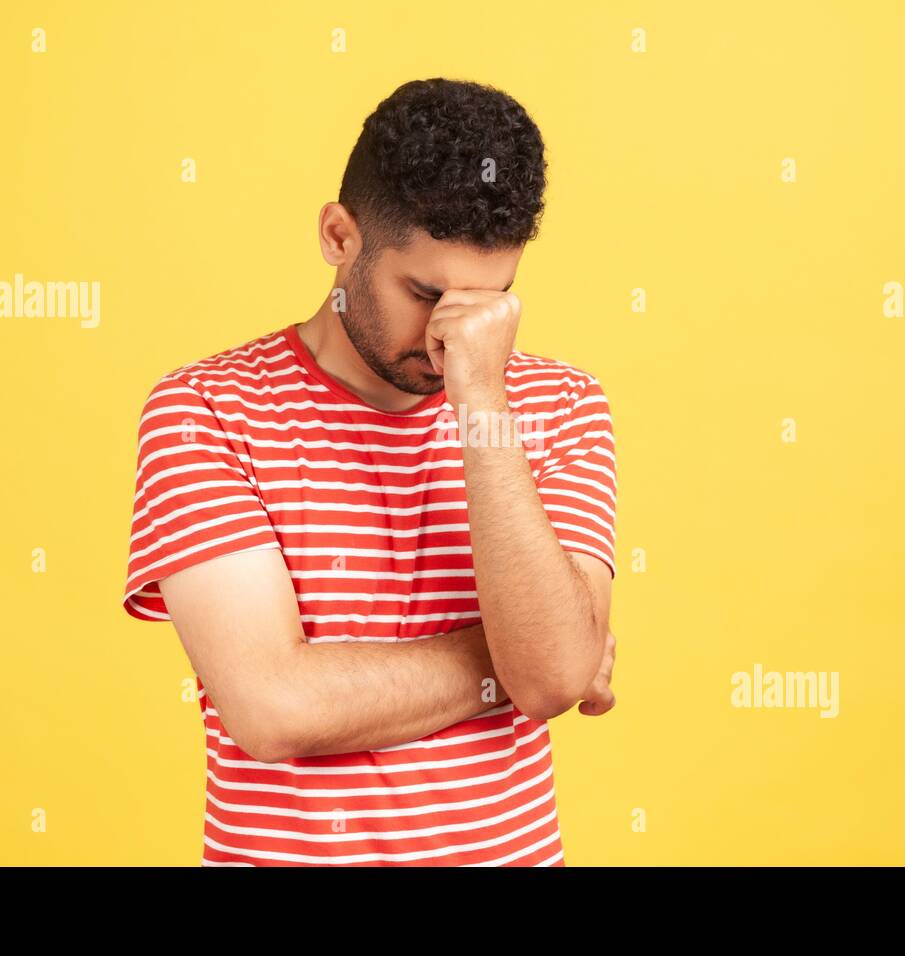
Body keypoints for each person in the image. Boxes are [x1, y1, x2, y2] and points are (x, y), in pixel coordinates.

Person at [122, 77, 617, 866]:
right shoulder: (205, 410)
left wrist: (482, 403)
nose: (454, 338)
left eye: (491, 304)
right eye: (427, 294)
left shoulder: (562, 404)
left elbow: (555, 678)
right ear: (338, 236)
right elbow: (273, 709)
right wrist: (525, 658)